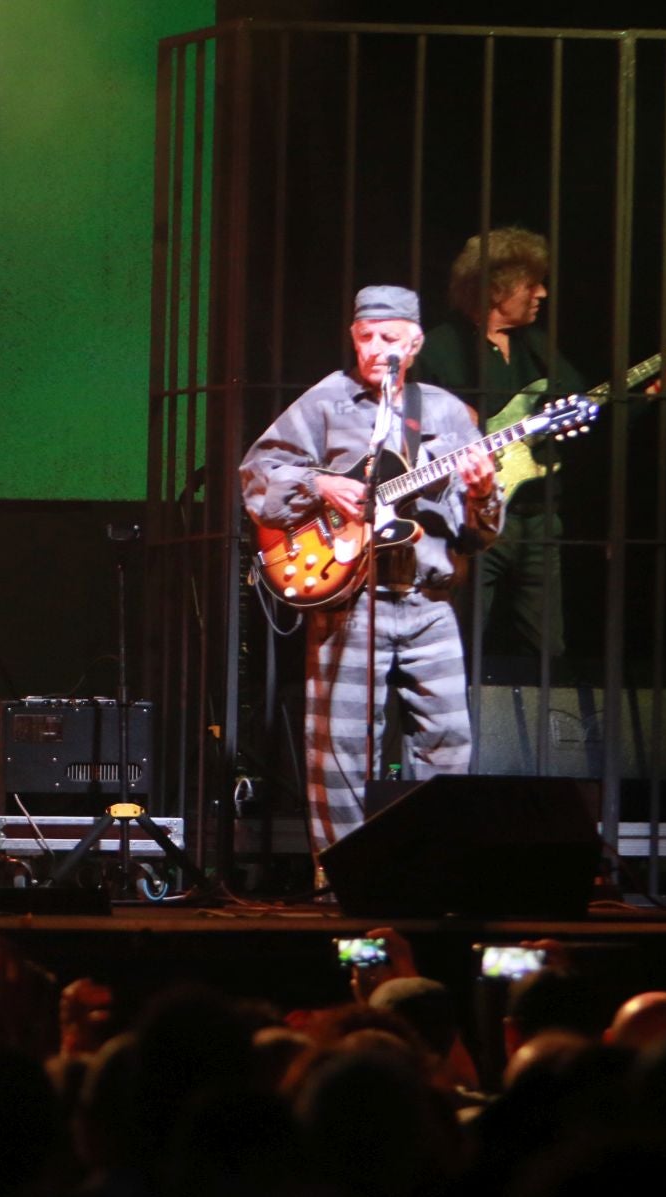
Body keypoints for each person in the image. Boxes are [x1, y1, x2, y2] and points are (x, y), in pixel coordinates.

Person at [241, 285, 502, 856]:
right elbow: (258, 473)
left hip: (429, 601)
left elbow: (479, 532)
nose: (374, 348)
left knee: (449, 741)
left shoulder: (447, 413)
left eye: (388, 338)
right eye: (365, 337)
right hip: (349, 599)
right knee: (339, 749)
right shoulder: (327, 401)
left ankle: (435, 865)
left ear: (414, 344)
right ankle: (341, 878)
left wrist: (483, 494)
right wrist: (319, 483)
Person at [411, 227, 666, 662]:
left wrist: (659, 387)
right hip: (469, 517)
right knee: (462, 642)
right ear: (495, 290)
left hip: (538, 517)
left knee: (548, 649)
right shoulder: (438, 349)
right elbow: (403, 425)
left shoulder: (539, 349)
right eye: (531, 285)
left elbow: (593, 412)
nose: (542, 293)